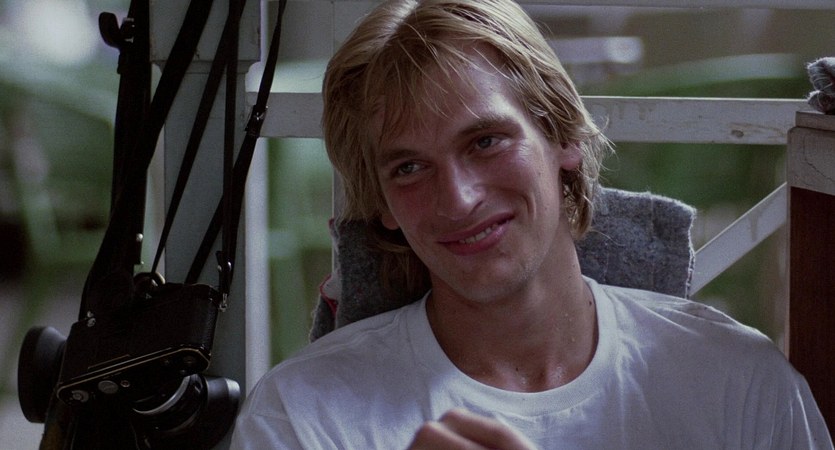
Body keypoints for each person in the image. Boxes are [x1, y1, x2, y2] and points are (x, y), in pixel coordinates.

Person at [231, 0, 833, 448]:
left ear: (563, 135)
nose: (458, 199)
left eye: (485, 141)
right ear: (382, 204)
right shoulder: (305, 415)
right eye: (409, 167)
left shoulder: (735, 383)